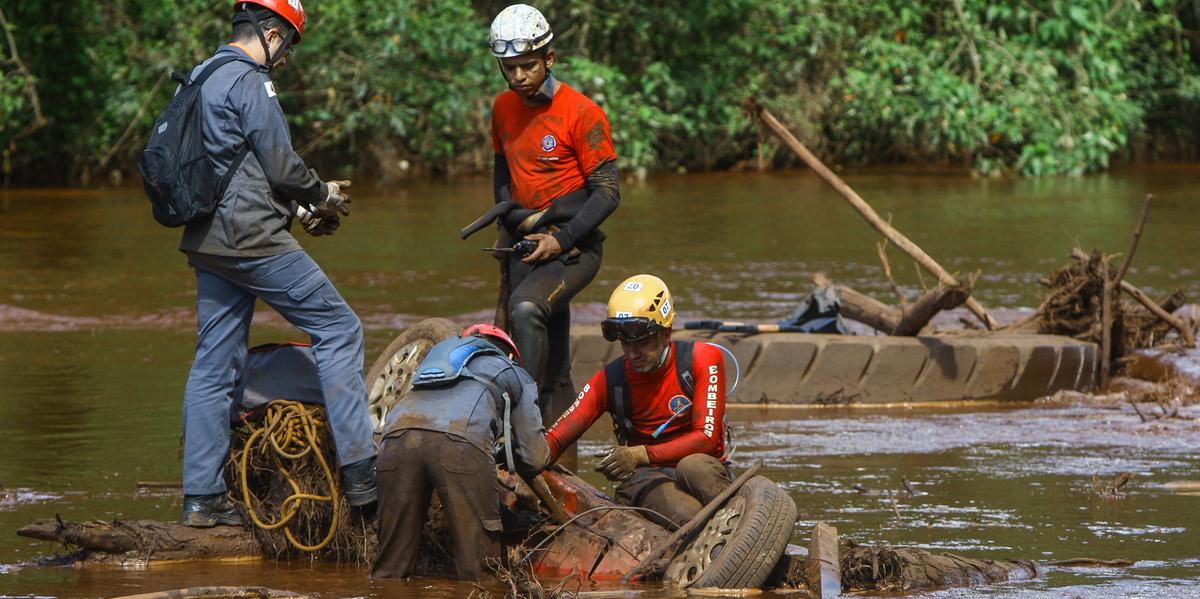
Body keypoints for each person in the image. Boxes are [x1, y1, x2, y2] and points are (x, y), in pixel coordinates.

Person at [177, 0, 376, 527]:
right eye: (287, 44)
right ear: (269, 32)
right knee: (340, 328)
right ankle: (363, 478)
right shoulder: (249, 80)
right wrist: (322, 196)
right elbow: (279, 162)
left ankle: (201, 498)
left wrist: (295, 205)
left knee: (213, 364)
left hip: (206, 241)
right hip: (251, 240)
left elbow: (232, 167)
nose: (285, 58)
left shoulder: (200, 76)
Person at [488, 4, 621, 453]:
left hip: (575, 247)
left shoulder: (582, 114)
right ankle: (559, 466)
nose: (519, 76)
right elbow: (502, 170)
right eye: (510, 68)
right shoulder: (503, 109)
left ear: (549, 59)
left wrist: (561, 238)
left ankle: (522, 432)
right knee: (556, 366)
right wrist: (507, 220)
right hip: (525, 243)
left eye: (528, 65)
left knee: (527, 310)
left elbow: (607, 193)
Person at [544, 275, 732, 526]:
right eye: (625, 344)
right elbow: (557, 437)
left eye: (643, 343)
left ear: (666, 334)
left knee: (693, 467)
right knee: (691, 517)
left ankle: (736, 522)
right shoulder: (611, 379)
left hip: (700, 468)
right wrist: (522, 457)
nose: (633, 354)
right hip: (647, 479)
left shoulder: (703, 359)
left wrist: (638, 454)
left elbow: (706, 439)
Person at [372, 325, 549, 581]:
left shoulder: (430, 361)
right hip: (461, 443)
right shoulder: (516, 373)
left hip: (396, 440)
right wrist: (502, 452)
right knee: (481, 574)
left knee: (389, 570)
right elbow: (535, 458)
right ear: (509, 355)